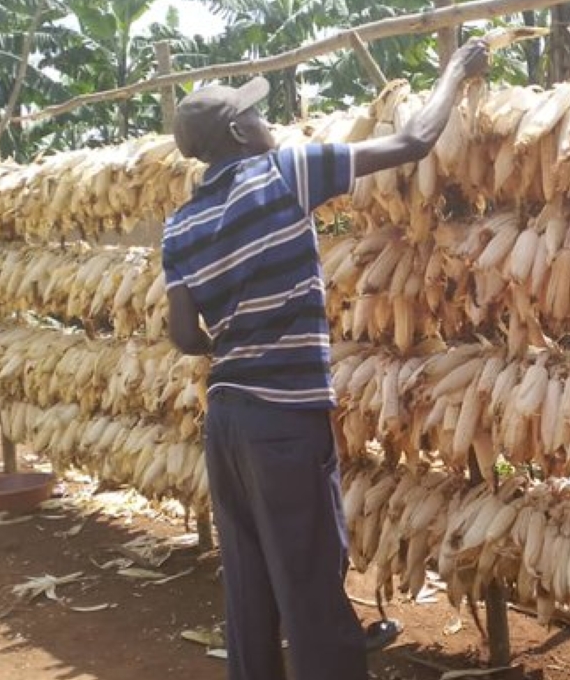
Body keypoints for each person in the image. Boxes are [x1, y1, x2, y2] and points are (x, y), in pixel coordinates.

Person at [161, 40, 489, 680]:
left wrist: (233, 336)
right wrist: (455, 69)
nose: (270, 121)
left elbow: (183, 335)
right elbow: (416, 140)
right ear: (236, 131)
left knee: (249, 582)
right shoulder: (285, 171)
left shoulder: (181, 225)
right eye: (256, 115)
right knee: (309, 573)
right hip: (283, 420)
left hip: (225, 420)